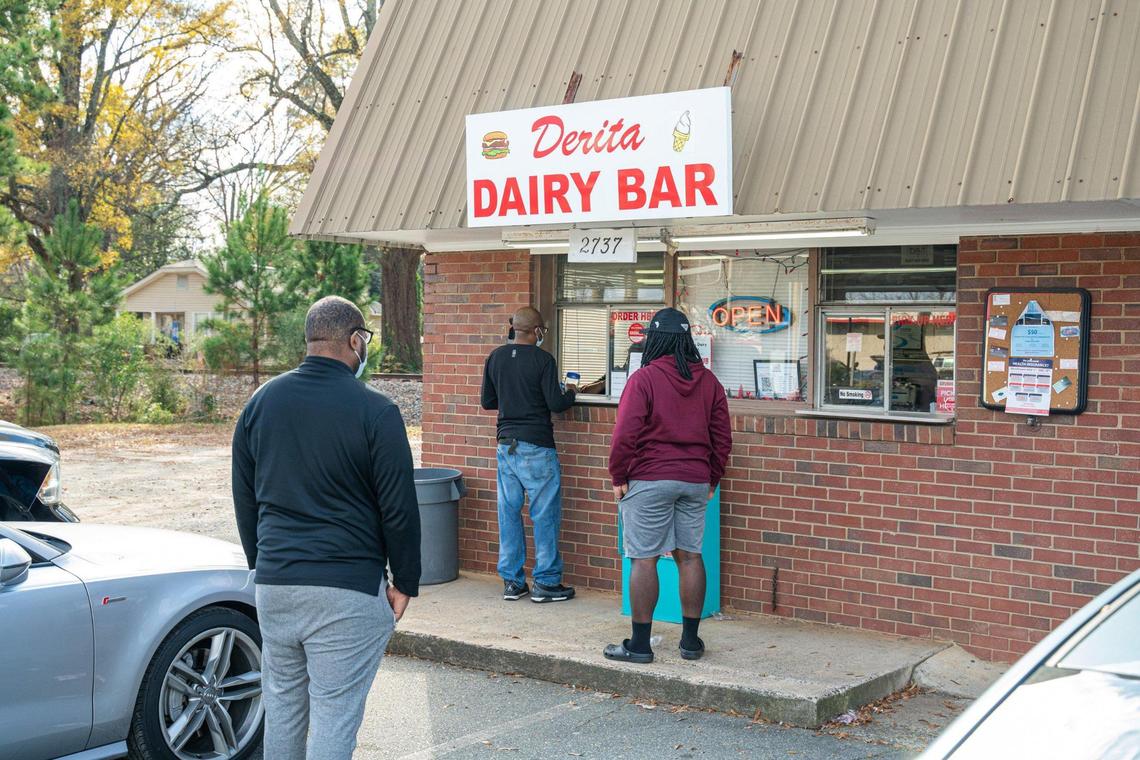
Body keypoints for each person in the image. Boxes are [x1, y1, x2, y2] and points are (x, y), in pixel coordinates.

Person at [232, 296, 420, 760]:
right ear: (355, 341)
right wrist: (405, 580)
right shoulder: (376, 411)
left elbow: (245, 497)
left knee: (283, 708)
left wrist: (264, 564)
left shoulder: (261, 403)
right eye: (365, 340)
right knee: (334, 715)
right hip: (346, 587)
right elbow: (398, 507)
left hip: (276, 585)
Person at [604, 307, 732, 664]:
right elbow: (723, 438)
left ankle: (640, 645)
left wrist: (618, 476)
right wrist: (712, 477)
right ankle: (690, 643)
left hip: (650, 478)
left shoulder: (644, 379)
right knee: (690, 556)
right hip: (694, 480)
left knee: (644, 559)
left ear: (654, 340)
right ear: (687, 340)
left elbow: (624, 434)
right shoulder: (709, 382)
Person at [481, 306, 577, 603]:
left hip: (505, 446)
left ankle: (513, 582)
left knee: (508, 512)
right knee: (544, 514)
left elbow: (488, 401)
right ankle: (546, 582)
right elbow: (556, 403)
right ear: (537, 331)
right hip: (537, 446)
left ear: (514, 328)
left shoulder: (495, 357)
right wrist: (571, 391)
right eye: (542, 330)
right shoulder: (543, 360)